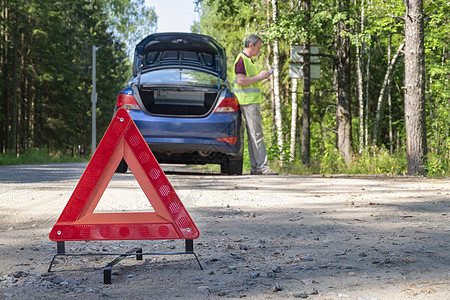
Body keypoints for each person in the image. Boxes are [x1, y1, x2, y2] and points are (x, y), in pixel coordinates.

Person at [233, 34, 278, 175]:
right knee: (257, 135)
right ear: (250, 45)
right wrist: (259, 76)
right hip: (248, 102)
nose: (259, 51)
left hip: (248, 101)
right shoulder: (242, 60)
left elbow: (247, 80)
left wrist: (261, 77)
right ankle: (262, 167)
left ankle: (256, 168)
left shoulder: (248, 60)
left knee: (253, 135)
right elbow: (241, 81)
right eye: (258, 48)